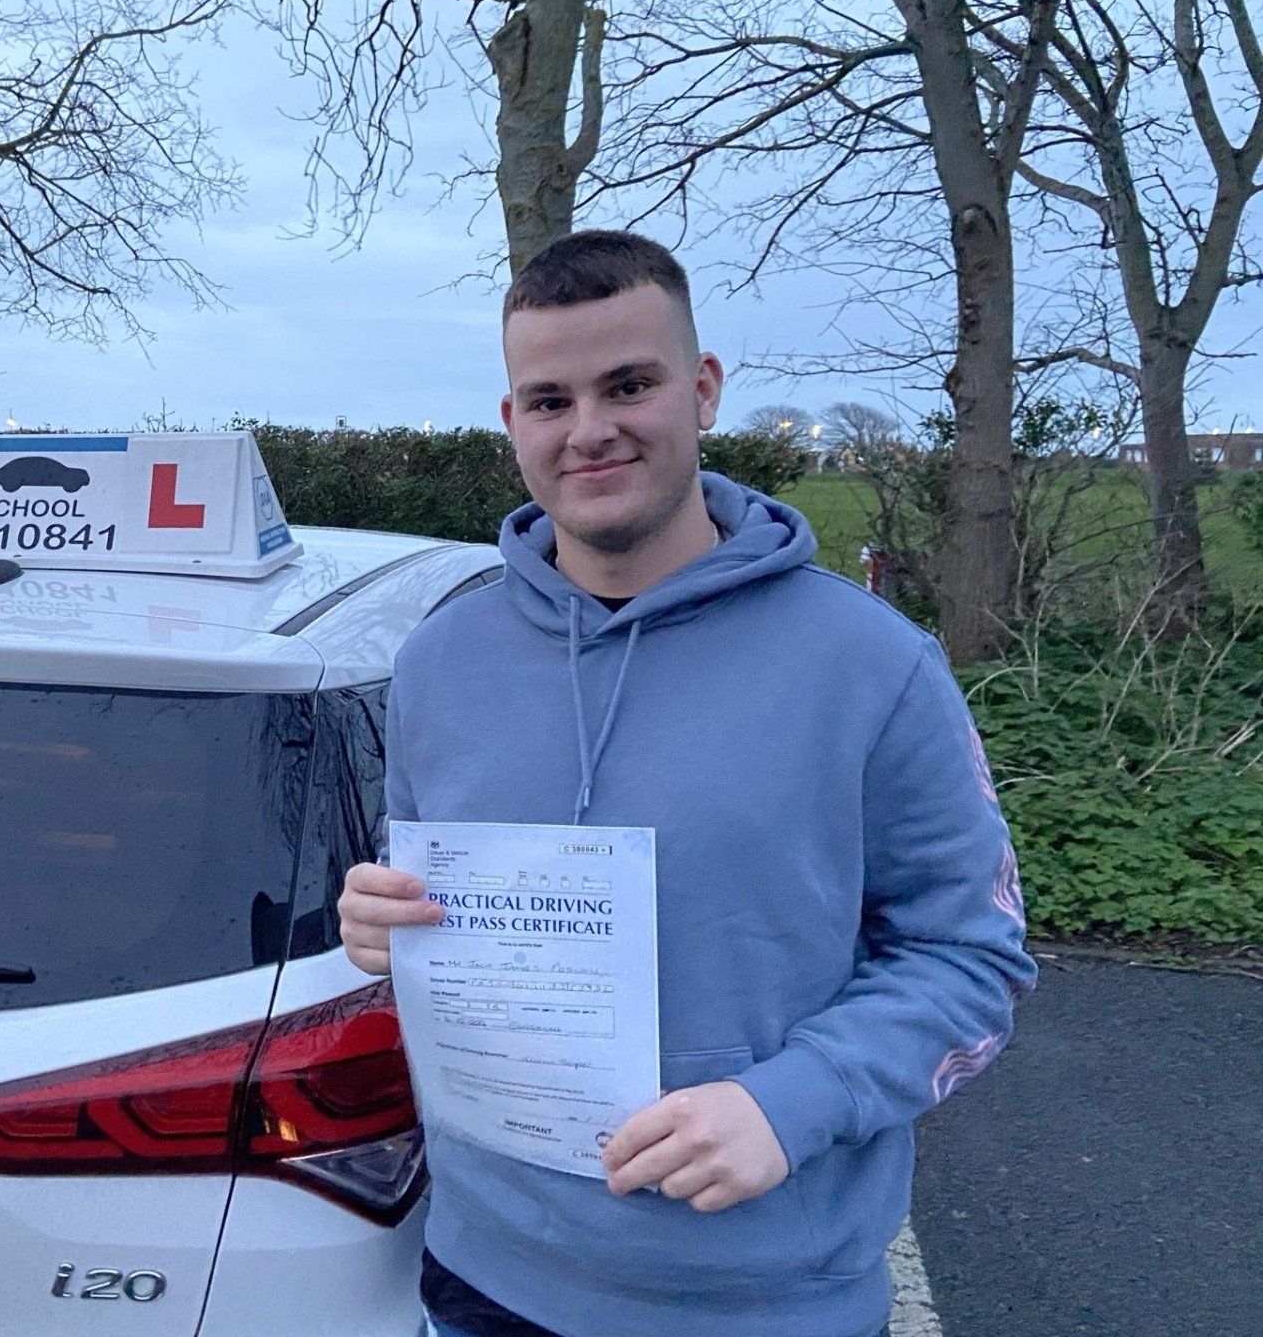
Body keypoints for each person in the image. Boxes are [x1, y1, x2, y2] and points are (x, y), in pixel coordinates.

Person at [339, 230, 1035, 1337]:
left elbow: (974, 961)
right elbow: (425, 895)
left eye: (629, 385)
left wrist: (790, 1104)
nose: (591, 429)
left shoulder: (872, 666)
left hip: (762, 1300)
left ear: (702, 392)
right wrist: (378, 919)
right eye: (550, 399)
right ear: (513, 423)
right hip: (482, 1279)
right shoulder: (440, 659)